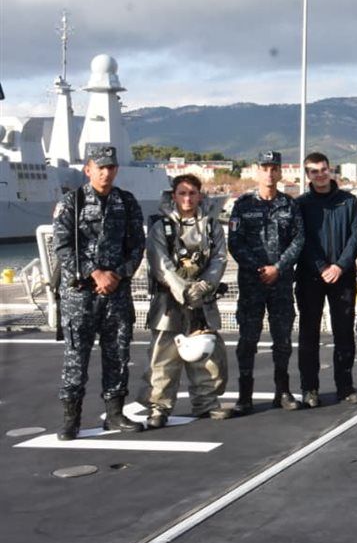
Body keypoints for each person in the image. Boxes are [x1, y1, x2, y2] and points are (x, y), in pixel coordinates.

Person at [53, 143, 147, 440]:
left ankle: (115, 414)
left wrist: (117, 274)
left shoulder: (126, 202)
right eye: (100, 167)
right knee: (76, 357)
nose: (106, 173)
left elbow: (137, 245)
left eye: (111, 167)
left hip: (116, 292)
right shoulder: (72, 202)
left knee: (118, 353)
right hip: (80, 295)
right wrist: (95, 273)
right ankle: (71, 419)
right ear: (88, 169)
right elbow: (62, 246)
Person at [141, 174, 231, 427]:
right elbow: (160, 263)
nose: (188, 198)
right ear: (174, 196)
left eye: (192, 193)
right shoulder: (161, 227)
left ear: (200, 195)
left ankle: (206, 403)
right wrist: (183, 290)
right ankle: (159, 408)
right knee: (163, 358)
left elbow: (219, 259)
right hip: (168, 301)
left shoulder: (211, 226)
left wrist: (203, 286)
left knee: (207, 355)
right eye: (182, 193)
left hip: (203, 299)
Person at [227, 150, 305, 415]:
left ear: (280, 172)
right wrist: (258, 268)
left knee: (282, 340)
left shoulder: (289, 205)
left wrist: (278, 268)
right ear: (256, 171)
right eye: (265, 168)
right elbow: (235, 242)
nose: (269, 173)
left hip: (281, 284)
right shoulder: (243, 205)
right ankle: (244, 396)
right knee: (247, 340)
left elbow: (298, 240)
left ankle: (282, 391)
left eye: (274, 168)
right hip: (252, 284)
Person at [296, 152, 357, 407]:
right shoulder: (300, 204)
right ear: (307, 175)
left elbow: (356, 237)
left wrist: (339, 266)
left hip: (343, 277)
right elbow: (301, 240)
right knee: (309, 335)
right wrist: (322, 266)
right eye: (314, 171)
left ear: (330, 170)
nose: (320, 175)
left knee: (344, 333)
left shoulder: (349, 202)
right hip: (309, 277)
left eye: (323, 169)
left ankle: (345, 386)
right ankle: (309, 389)